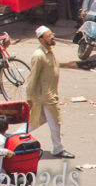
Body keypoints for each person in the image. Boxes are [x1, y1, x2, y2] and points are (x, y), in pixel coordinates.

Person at [26, 26, 74, 158]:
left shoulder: (49, 51)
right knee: (55, 122)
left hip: (50, 94)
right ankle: (58, 148)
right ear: (41, 39)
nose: (52, 37)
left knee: (36, 121)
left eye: (51, 34)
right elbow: (32, 78)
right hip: (46, 97)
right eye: (48, 36)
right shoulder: (39, 55)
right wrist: (29, 97)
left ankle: (12, 137)